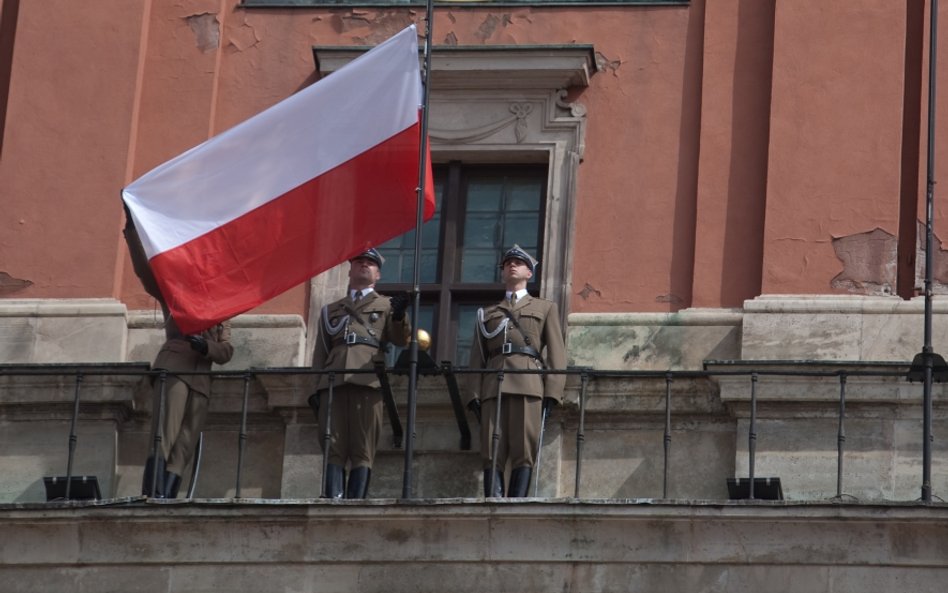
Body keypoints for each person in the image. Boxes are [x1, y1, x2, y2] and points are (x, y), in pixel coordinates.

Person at [307, 248, 410, 499]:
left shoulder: (385, 305)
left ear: (377, 274)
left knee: (363, 445)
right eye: (360, 261)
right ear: (350, 270)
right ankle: (333, 497)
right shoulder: (330, 309)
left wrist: (398, 317)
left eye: (370, 263)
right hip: (334, 380)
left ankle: (355, 499)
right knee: (333, 443)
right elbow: (320, 352)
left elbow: (400, 339)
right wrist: (315, 388)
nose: (364, 265)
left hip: (367, 379)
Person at [465, 245, 567, 497]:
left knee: (524, 447)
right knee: (491, 448)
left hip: (528, 381)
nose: (512, 265)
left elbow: (556, 352)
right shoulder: (486, 313)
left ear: (529, 273)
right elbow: (477, 357)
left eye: (518, 263)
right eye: (507, 263)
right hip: (493, 384)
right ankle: (494, 500)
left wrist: (553, 392)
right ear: (502, 273)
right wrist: (473, 394)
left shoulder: (545, 308)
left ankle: (516, 501)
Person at [142, 307, 234, 498]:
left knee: (185, 445)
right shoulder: (179, 291)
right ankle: (153, 493)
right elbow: (153, 283)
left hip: (201, 379)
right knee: (165, 433)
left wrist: (207, 347)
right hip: (175, 366)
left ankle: (168, 495)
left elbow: (226, 350)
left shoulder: (224, 308)